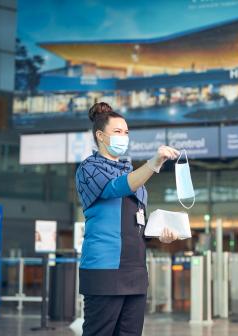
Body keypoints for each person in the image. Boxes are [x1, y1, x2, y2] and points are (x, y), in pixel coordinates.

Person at [75, 102, 180, 336]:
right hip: (104, 269)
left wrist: (158, 234)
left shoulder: (130, 173)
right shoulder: (89, 168)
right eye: (117, 132)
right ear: (100, 136)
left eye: (126, 132)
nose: (124, 137)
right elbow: (115, 188)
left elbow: (136, 223)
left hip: (135, 271)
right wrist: (153, 164)